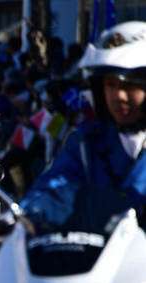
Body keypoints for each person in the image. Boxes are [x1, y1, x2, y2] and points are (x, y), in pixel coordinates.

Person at [22, 21, 146, 224]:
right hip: (98, 253)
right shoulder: (87, 142)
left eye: (130, 85)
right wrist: (21, 218)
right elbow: (56, 186)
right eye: (110, 84)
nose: (119, 96)